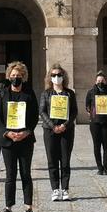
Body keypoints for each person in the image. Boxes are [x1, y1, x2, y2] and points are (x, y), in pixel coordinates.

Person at [0, 61, 38, 212]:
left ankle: (28, 208)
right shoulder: (3, 93)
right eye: (13, 76)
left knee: (26, 174)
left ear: (23, 77)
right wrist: (7, 132)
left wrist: (26, 132)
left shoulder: (29, 93)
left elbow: (34, 116)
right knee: (10, 175)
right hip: (8, 140)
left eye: (18, 76)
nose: (15, 78)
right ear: (8, 77)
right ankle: (8, 208)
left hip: (25, 140)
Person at [40, 63, 79, 201]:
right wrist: (53, 126)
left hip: (66, 130)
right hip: (50, 130)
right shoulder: (46, 94)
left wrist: (65, 125)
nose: (57, 77)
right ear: (50, 78)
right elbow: (42, 111)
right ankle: (55, 188)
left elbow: (74, 111)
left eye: (59, 75)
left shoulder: (70, 93)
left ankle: (65, 188)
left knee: (65, 160)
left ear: (64, 77)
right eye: (54, 75)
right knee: (52, 160)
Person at [85, 71, 107, 175]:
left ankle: (105, 167)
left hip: (106, 122)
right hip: (95, 123)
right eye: (98, 80)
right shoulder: (91, 92)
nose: (100, 82)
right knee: (96, 145)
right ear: (95, 81)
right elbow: (87, 105)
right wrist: (91, 111)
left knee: (106, 145)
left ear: (105, 81)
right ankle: (99, 167)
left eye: (102, 80)